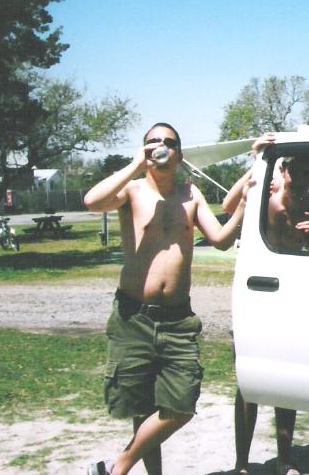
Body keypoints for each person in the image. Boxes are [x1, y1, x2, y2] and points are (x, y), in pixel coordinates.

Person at [83, 123, 249, 475]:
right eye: (153, 141)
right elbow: (92, 203)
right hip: (133, 317)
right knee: (142, 406)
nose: (161, 146)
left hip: (178, 320)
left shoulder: (191, 194)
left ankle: (118, 466)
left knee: (181, 404)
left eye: (169, 142)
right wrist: (135, 164)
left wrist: (243, 207)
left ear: (179, 154)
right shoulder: (132, 191)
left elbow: (220, 240)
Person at [225, 150, 309, 475]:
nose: (302, 179)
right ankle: (242, 463)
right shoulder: (264, 199)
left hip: (293, 301)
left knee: (285, 383)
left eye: (308, 173)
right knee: (248, 384)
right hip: (258, 297)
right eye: (296, 171)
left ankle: (284, 459)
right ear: (284, 170)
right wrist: (257, 161)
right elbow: (228, 206)